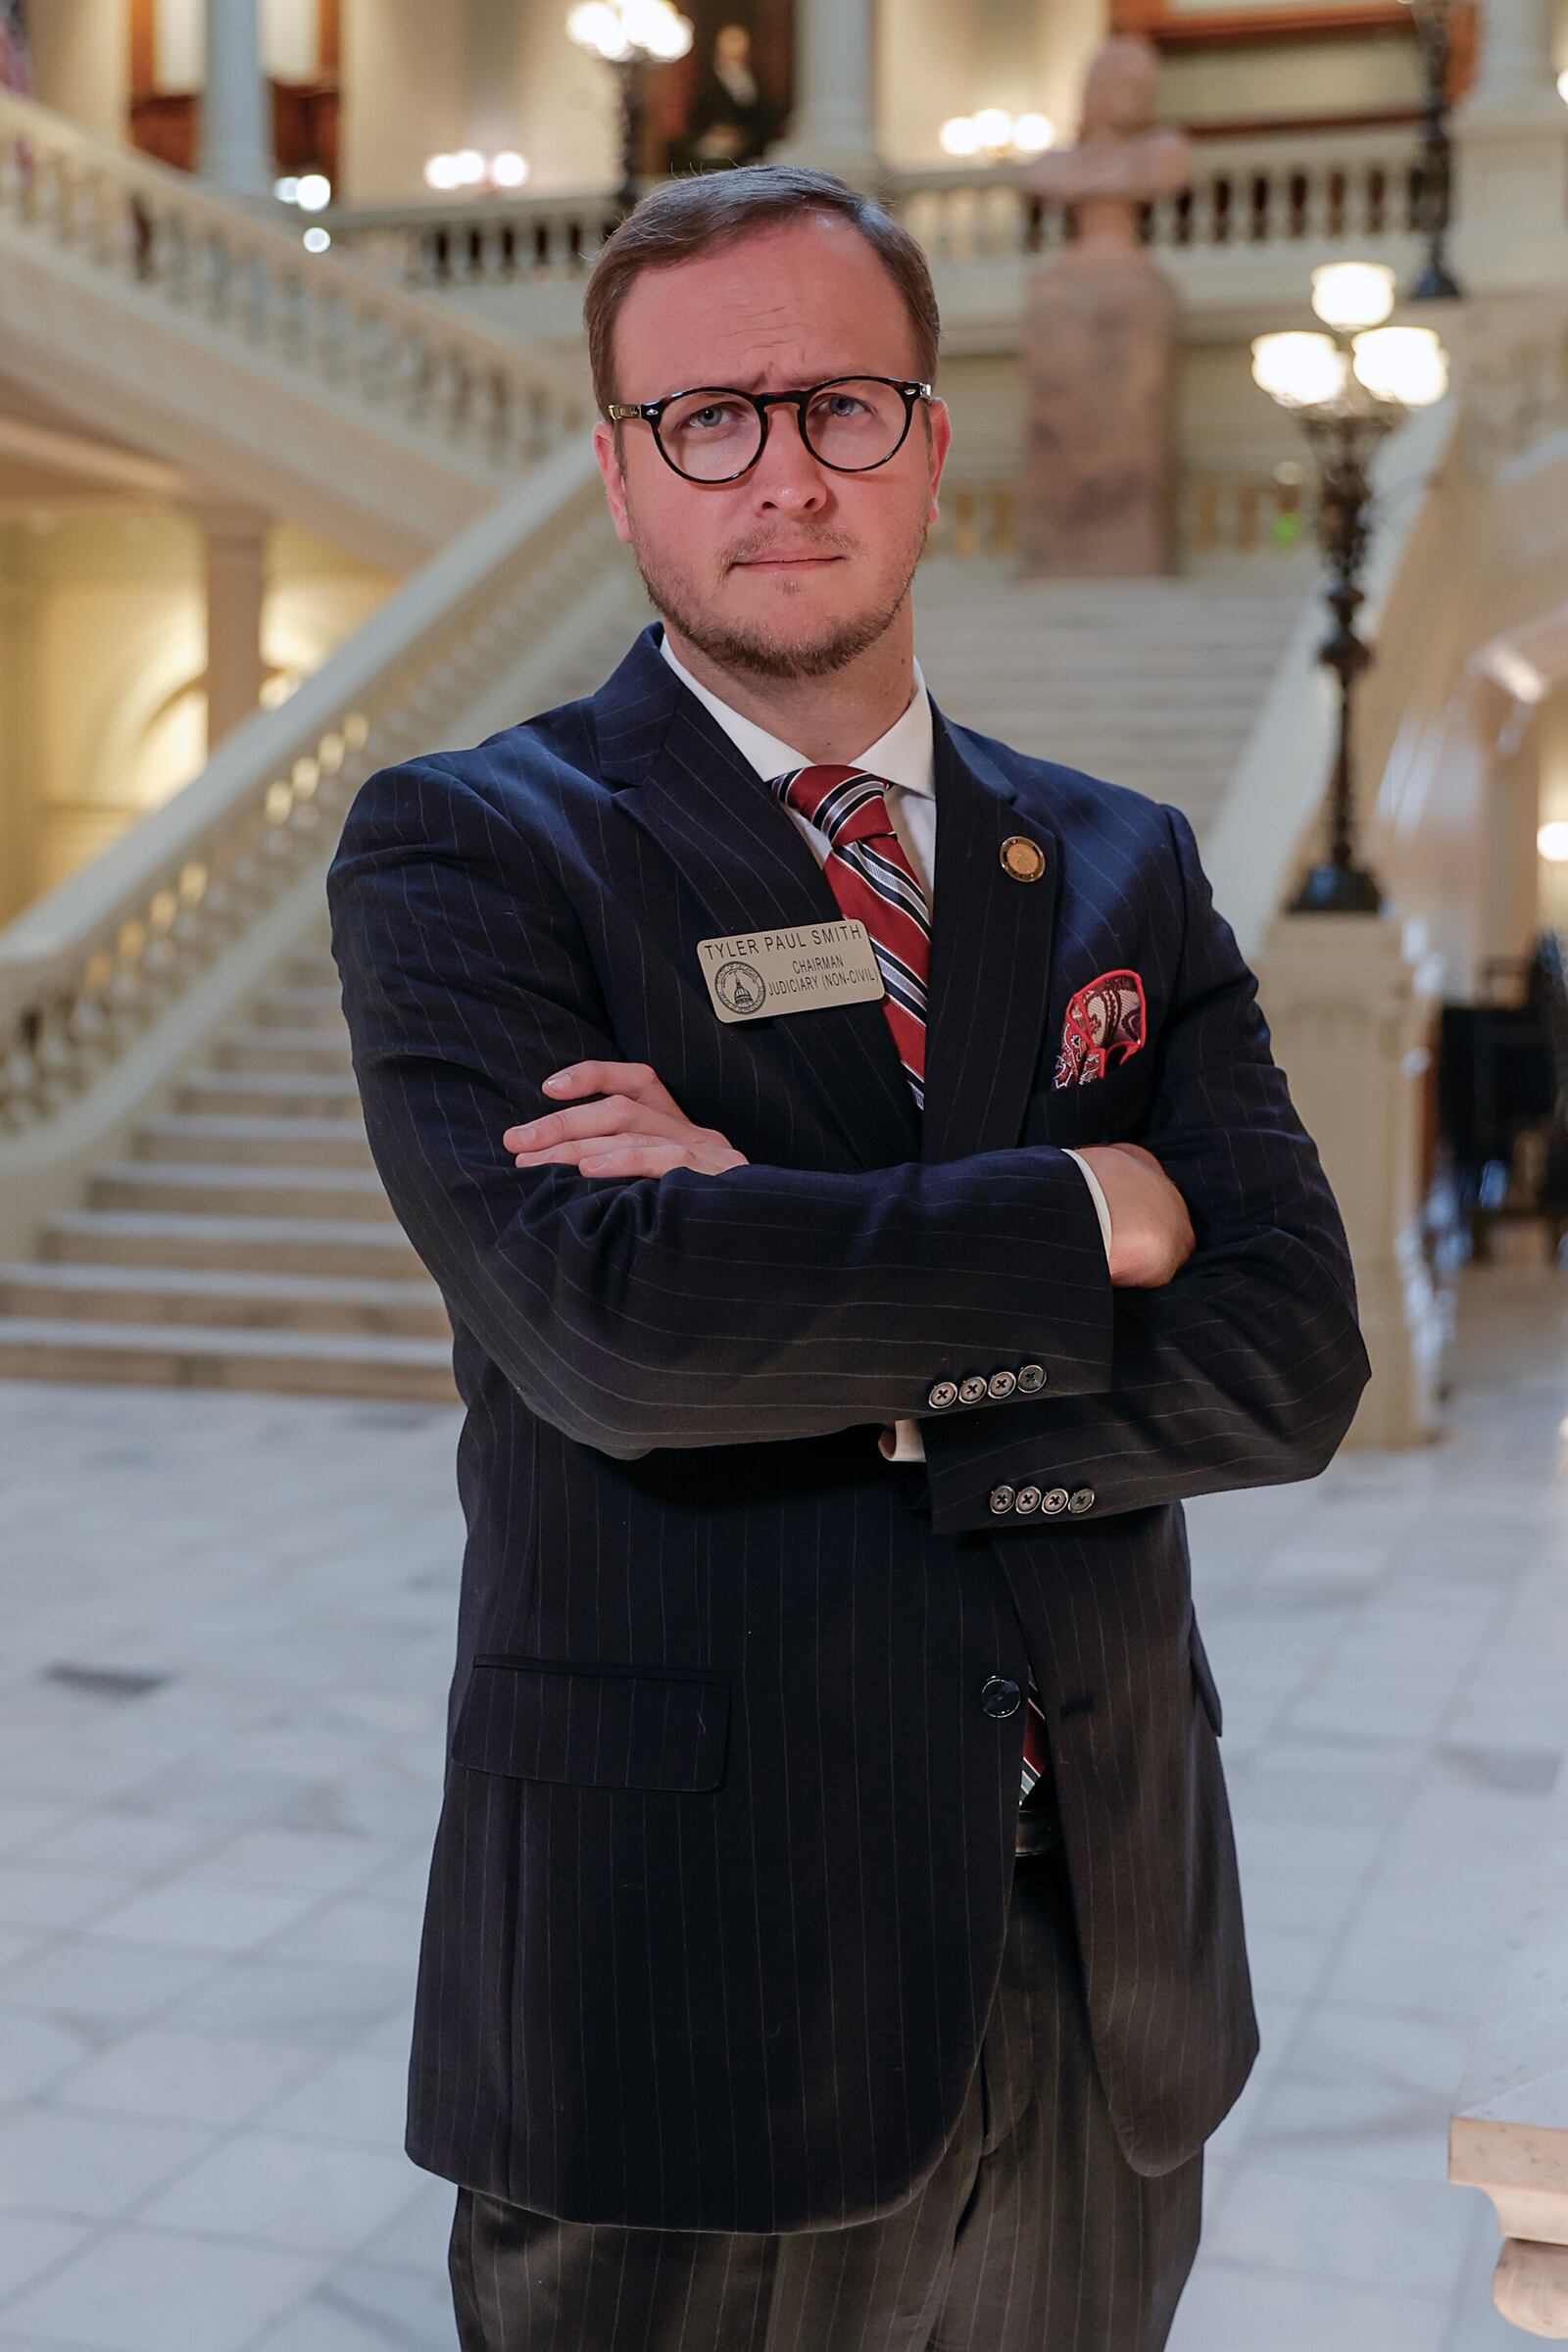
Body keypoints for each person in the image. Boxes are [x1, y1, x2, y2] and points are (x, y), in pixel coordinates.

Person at [326, 163, 1370, 2352]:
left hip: (1107, 1982)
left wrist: (823, 1312)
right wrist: (1096, 1209)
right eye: (707, 419)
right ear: (619, 477)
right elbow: (611, 1335)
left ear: (931, 441)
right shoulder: (476, 853)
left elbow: (1284, 1360)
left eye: (841, 409)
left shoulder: (1113, 864)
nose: (781, 472)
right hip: (688, 1998)